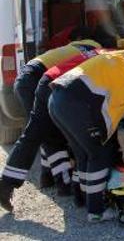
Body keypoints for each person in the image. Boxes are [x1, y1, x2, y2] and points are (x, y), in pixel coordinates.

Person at [47, 40, 124, 223]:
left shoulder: (123, 59)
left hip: (58, 99)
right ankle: (96, 211)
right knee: (100, 153)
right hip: (78, 105)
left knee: (83, 153)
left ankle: (82, 198)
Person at [0, 47, 103, 212]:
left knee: (44, 132)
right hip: (39, 80)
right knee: (38, 133)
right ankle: (59, 183)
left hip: (28, 78)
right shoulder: (98, 50)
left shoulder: (78, 46)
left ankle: (48, 178)